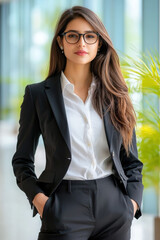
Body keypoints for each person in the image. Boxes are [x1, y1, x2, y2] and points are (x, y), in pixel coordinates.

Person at [12, 5, 143, 240]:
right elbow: (22, 161)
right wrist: (41, 202)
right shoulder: (38, 95)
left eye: (89, 36)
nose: (81, 43)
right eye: (72, 36)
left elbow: (131, 161)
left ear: (99, 43)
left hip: (114, 205)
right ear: (60, 42)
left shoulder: (116, 94)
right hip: (64, 204)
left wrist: (131, 204)